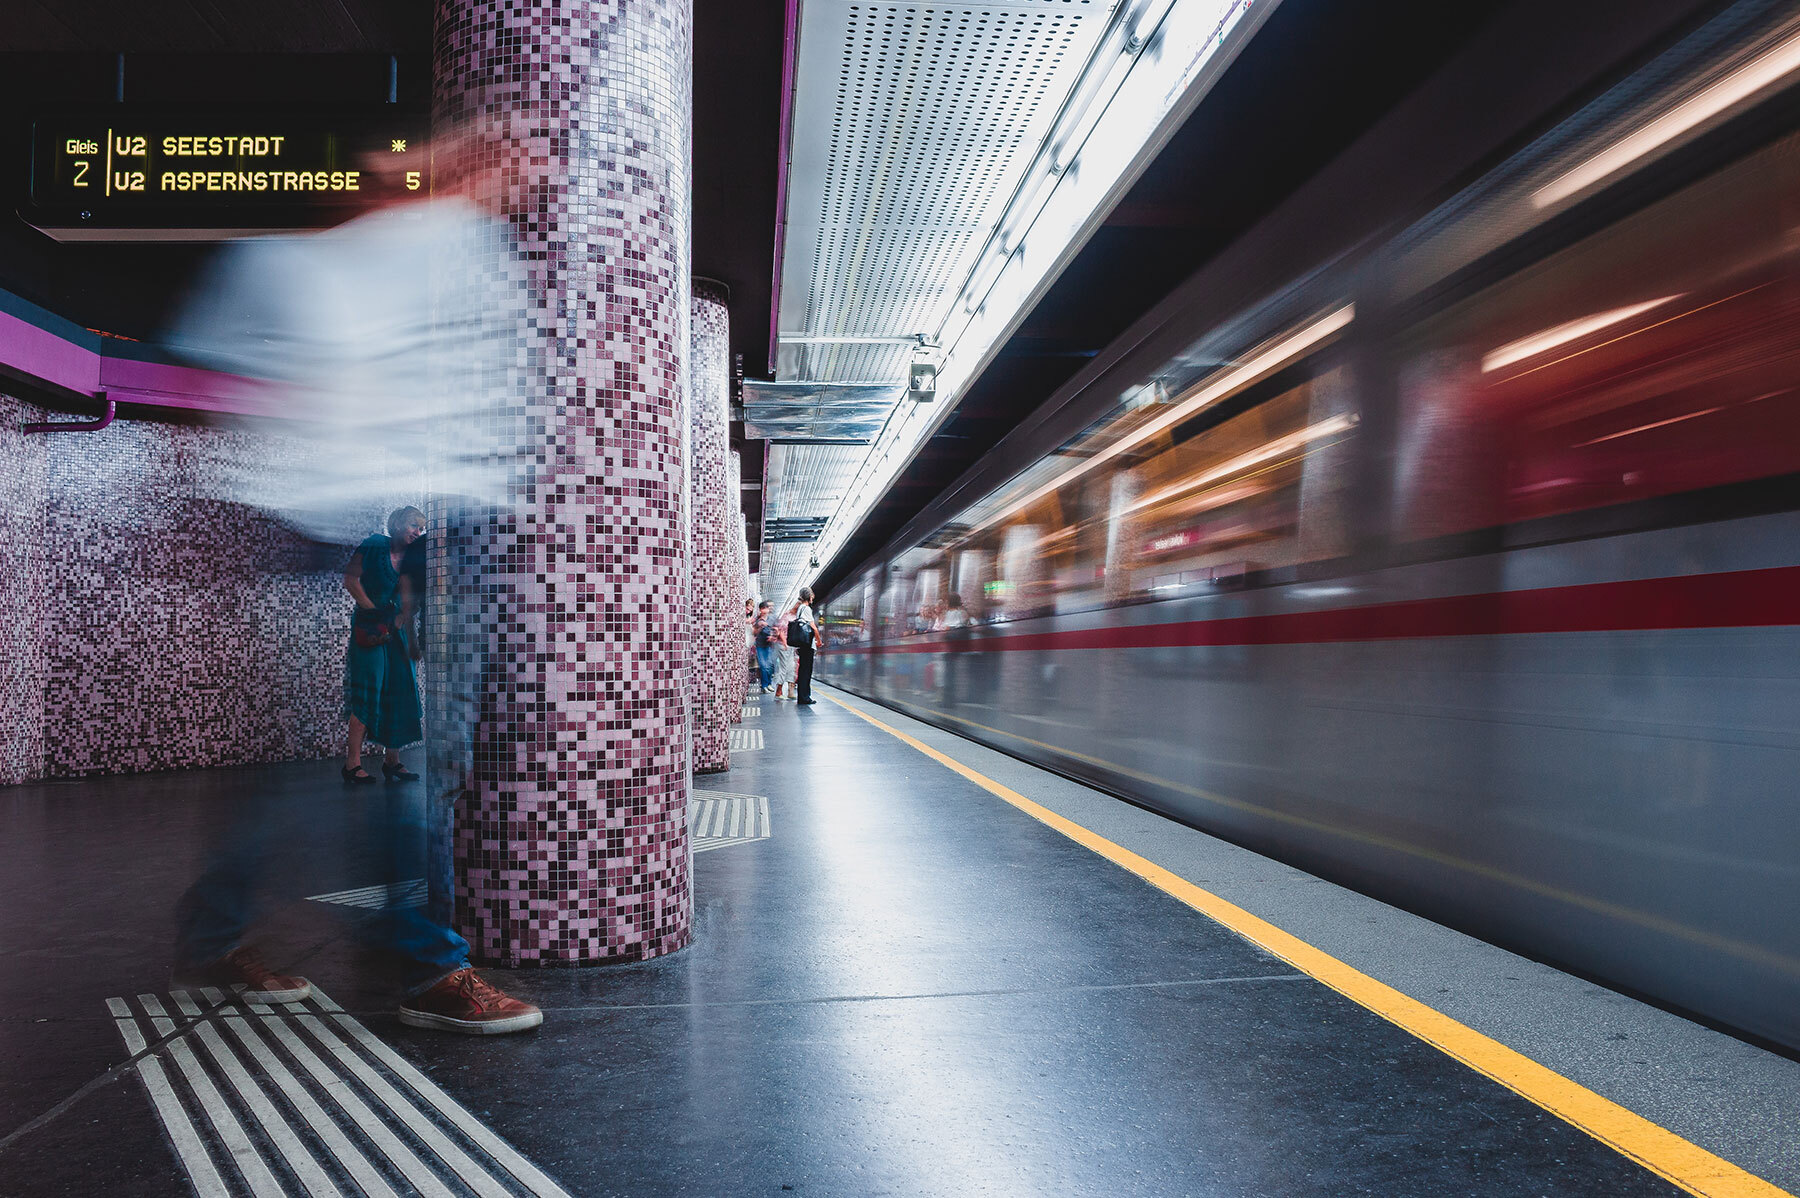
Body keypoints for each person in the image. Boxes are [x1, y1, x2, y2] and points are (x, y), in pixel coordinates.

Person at [343, 508, 427, 784]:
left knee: (401, 689)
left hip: (395, 630)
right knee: (369, 688)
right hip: (369, 627)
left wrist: (403, 618)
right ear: (399, 523)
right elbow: (351, 581)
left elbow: (410, 597)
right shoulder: (374, 545)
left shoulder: (413, 558)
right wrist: (374, 613)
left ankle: (392, 761)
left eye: (421, 529)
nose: (417, 532)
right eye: (414, 526)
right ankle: (352, 764)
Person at [792, 587, 823, 706]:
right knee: (806, 671)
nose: (812, 599)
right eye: (812, 597)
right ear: (809, 597)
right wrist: (818, 641)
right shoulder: (806, 609)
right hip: (807, 645)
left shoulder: (800, 608)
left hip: (802, 644)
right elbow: (813, 627)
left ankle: (802, 696)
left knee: (803, 670)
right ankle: (805, 697)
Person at [771, 607, 796, 701]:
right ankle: (778, 691)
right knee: (784, 668)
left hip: (791, 645)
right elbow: (780, 630)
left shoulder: (796, 615)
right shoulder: (786, 616)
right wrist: (785, 643)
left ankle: (790, 692)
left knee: (791, 667)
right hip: (784, 645)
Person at [753, 600, 776, 692]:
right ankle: (764, 685)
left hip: (769, 645)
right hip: (760, 646)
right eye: (763, 608)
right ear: (760, 610)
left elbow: (776, 631)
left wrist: (773, 636)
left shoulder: (772, 619)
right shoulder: (757, 620)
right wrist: (759, 627)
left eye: (766, 608)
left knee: (769, 666)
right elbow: (754, 633)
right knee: (763, 666)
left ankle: (769, 683)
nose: (765, 610)